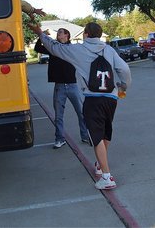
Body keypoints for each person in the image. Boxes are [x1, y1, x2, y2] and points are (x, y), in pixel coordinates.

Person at [29, 22, 131, 190]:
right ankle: (100, 164)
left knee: (96, 137)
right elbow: (124, 69)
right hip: (111, 98)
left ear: (86, 34)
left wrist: (40, 33)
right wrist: (123, 87)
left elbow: (55, 47)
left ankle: (106, 177)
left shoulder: (78, 50)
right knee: (106, 133)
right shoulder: (109, 50)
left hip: (93, 98)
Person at [34, 28, 90, 149]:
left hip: (73, 85)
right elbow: (37, 49)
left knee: (81, 112)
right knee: (58, 115)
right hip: (59, 86)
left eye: (61, 32)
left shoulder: (72, 48)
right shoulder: (53, 48)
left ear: (67, 35)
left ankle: (85, 135)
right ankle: (60, 139)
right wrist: (41, 36)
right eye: (58, 32)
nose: (58, 34)